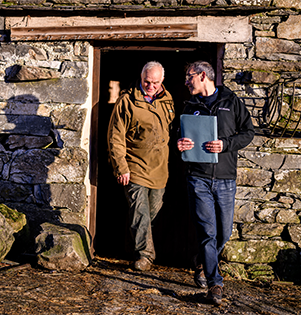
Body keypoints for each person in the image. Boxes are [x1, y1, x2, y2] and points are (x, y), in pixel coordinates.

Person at [177, 61, 254, 305]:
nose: (186, 82)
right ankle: (215, 283)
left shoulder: (232, 102)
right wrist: (179, 144)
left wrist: (226, 145)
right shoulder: (189, 105)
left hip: (225, 179)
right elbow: (176, 136)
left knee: (225, 232)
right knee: (207, 232)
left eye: (189, 77)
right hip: (197, 178)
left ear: (202, 76)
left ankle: (202, 260)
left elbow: (248, 133)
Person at [107, 61, 175, 271]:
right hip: (134, 165)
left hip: (159, 168)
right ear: (141, 77)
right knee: (140, 210)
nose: (151, 86)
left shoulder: (168, 100)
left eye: (155, 82)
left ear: (162, 80)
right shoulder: (127, 101)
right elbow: (115, 137)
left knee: (152, 211)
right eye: (147, 81)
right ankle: (145, 256)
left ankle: (132, 247)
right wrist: (121, 167)